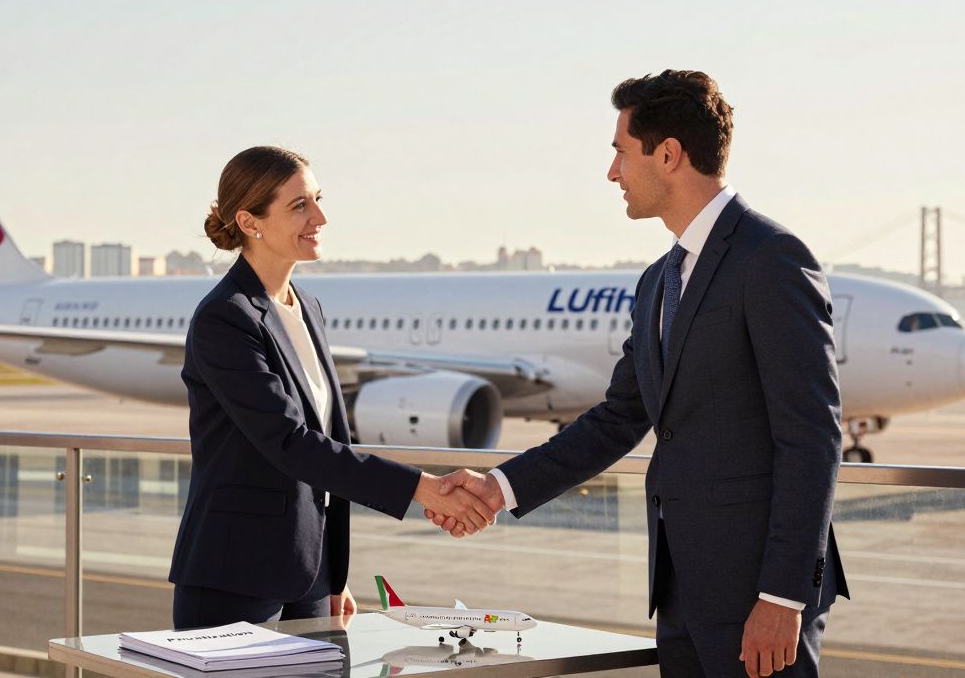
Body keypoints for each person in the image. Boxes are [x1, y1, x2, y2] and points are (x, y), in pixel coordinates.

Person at [429, 71, 849, 677]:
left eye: (621, 152)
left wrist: (783, 598)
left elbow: (812, 437)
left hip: (758, 594)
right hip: (680, 587)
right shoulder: (658, 281)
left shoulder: (771, 259)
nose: (612, 173)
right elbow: (620, 417)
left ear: (669, 155)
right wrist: (500, 488)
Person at [169, 145, 495, 629]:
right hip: (236, 574)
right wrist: (423, 488)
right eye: (299, 205)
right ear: (249, 220)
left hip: (312, 576)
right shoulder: (226, 317)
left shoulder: (308, 308)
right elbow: (291, 443)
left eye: (318, 199)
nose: (320, 216)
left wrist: (332, 574)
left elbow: (330, 440)